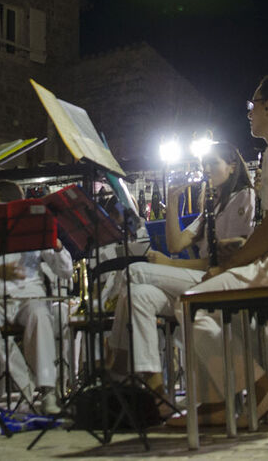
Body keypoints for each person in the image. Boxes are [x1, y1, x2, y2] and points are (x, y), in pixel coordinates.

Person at [176, 58, 268, 426]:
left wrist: (233, 262)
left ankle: (259, 390)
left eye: (251, 106)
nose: (248, 114)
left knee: (190, 305)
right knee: (224, 308)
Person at [107, 141, 255, 401]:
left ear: (232, 167)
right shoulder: (213, 204)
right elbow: (176, 244)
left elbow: (224, 261)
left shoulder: (243, 196)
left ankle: (116, 361)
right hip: (200, 278)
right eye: (204, 164)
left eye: (213, 163)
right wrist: (173, 201)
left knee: (134, 273)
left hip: (219, 279)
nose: (207, 169)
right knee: (137, 295)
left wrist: (170, 264)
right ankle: (155, 387)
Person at [0, 180, 72, 415]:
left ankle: (48, 391)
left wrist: (57, 246)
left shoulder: (34, 227)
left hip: (30, 294)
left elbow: (65, 271)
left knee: (40, 315)